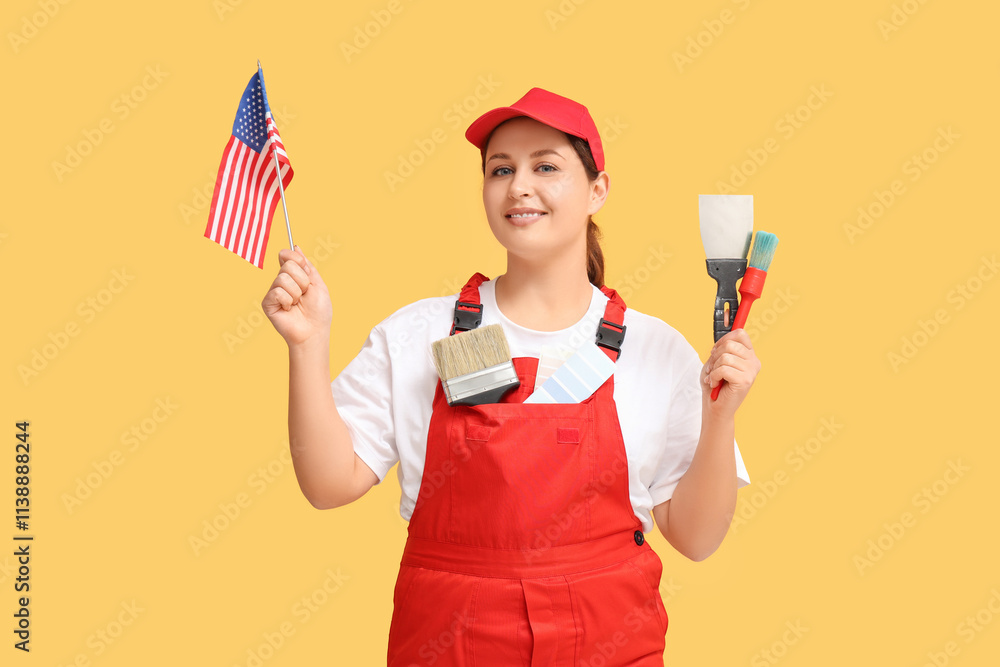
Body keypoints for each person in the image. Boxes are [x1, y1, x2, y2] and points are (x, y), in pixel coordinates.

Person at [262, 87, 759, 665]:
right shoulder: (419, 333)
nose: (519, 185)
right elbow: (328, 485)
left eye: (546, 166)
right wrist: (307, 345)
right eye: (501, 169)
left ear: (598, 189)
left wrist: (720, 415)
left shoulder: (657, 349)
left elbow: (696, 539)